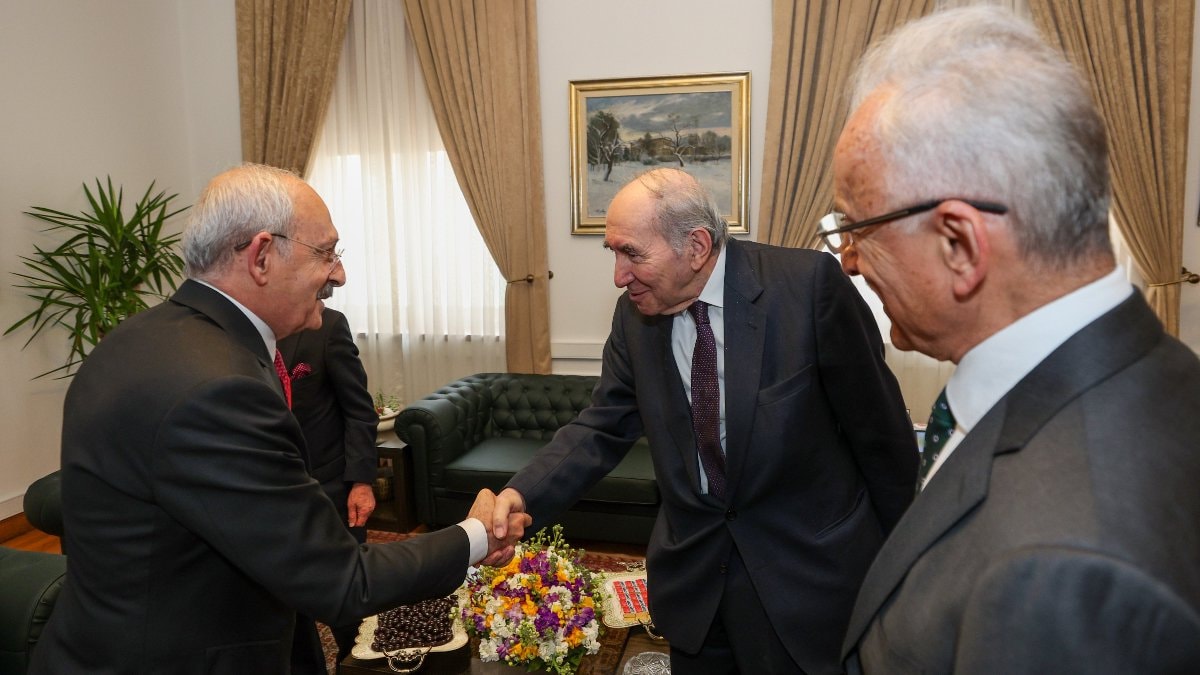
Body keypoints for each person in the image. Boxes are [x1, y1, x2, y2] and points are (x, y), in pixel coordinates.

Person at [29, 163, 529, 674]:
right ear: (262, 256)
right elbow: (340, 579)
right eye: (326, 253)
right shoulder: (218, 388)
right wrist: (476, 535)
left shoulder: (140, 338)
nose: (339, 274)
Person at [830, 7, 1200, 673]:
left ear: (960, 244)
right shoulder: (1156, 372)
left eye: (857, 228)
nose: (848, 261)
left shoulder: (1066, 570)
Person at [489, 167, 917, 674]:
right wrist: (521, 494)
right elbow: (601, 425)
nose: (619, 276)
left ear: (695, 246)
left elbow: (880, 436)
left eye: (632, 254)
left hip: (805, 580)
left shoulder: (807, 288)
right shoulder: (634, 317)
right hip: (695, 584)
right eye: (613, 253)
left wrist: (906, 563)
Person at [277, 306, 379, 672]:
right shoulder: (243, 336)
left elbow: (359, 410)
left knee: (347, 594)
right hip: (274, 492)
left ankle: (357, 665)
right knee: (287, 603)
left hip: (331, 486)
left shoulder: (329, 326)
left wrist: (362, 482)